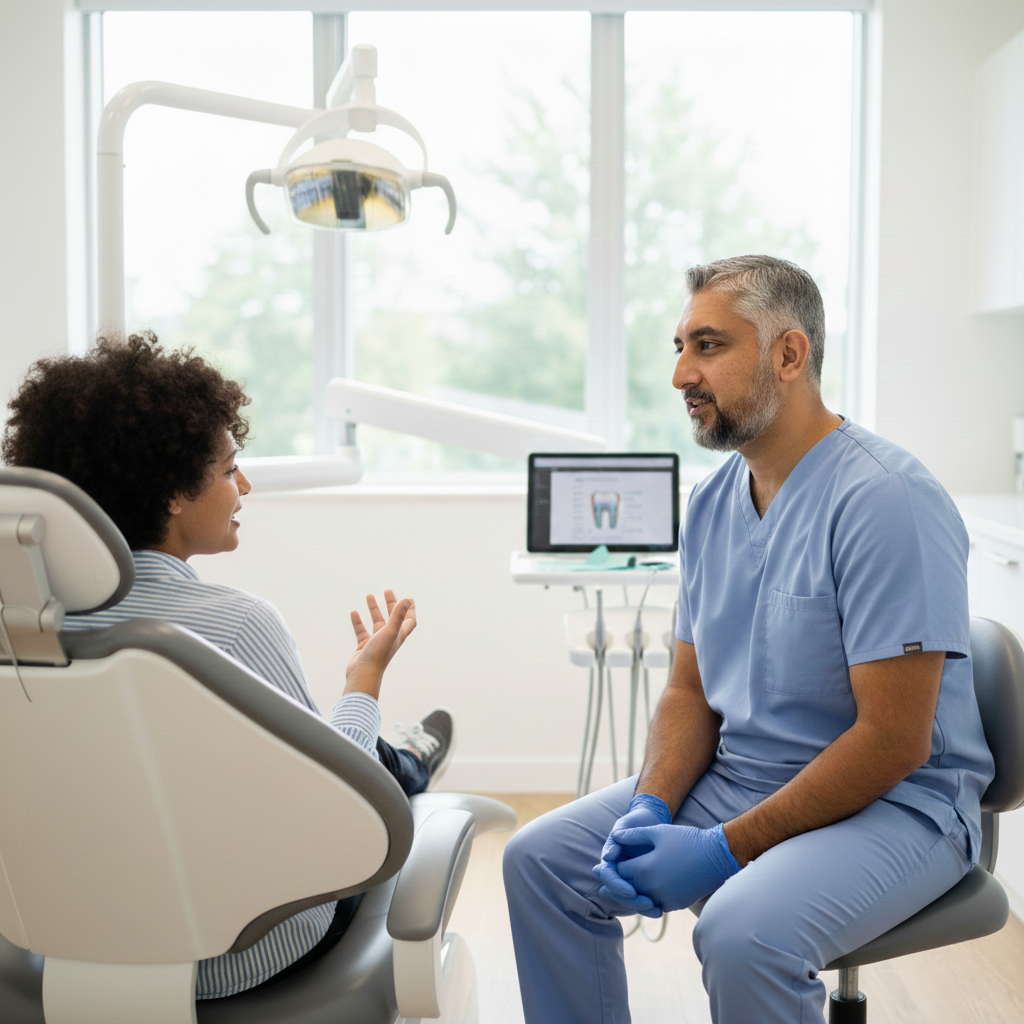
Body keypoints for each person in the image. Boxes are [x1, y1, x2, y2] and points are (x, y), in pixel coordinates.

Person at [502, 255, 995, 1024]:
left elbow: (894, 741)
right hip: (741, 777)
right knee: (540, 863)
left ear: (789, 354)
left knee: (742, 934)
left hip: (900, 806)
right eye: (679, 348)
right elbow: (689, 689)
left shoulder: (886, 500)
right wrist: (653, 804)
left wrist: (724, 849)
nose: (681, 376)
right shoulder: (710, 504)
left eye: (708, 346)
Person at [1, 333, 454, 999]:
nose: (244, 485)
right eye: (228, 469)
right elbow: (342, 811)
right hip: (248, 952)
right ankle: (408, 758)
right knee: (375, 766)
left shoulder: (19, 635)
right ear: (173, 492)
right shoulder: (235, 626)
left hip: (66, 941)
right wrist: (363, 680)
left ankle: (406, 754)